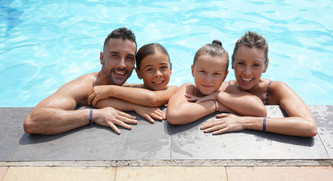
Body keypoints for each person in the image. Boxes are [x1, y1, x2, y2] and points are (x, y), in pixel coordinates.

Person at [23, 27, 170, 135]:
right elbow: (33, 121)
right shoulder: (84, 86)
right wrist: (93, 115)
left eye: (129, 58)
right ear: (102, 58)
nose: (122, 65)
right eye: (115, 56)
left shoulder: (123, 86)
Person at [201, 31, 317, 137]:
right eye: (241, 63)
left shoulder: (276, 89)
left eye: (255, 65)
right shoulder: (221, 88)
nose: (247, 73)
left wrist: (244, 122)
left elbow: (309, 126)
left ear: (265, 66)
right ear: (233, 63)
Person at [167, 40, 266, 125]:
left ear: (225, 76)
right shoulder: (189, 89)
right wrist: (216, 105)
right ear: (193, 71)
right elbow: (174, 115)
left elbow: (260, 111)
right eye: (202, 72)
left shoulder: (227, 89)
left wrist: (218, 96)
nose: (208, 80)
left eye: (216, 74)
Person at [87, 43, 177, 123]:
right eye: (149, 69)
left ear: (170, 69)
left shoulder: (173, 90)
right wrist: (135, 107)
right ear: (139, 73)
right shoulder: (133, 88)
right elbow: (98, 101)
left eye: (163, 67)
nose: (158, 74)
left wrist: (110, 90)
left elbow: (154, 99)